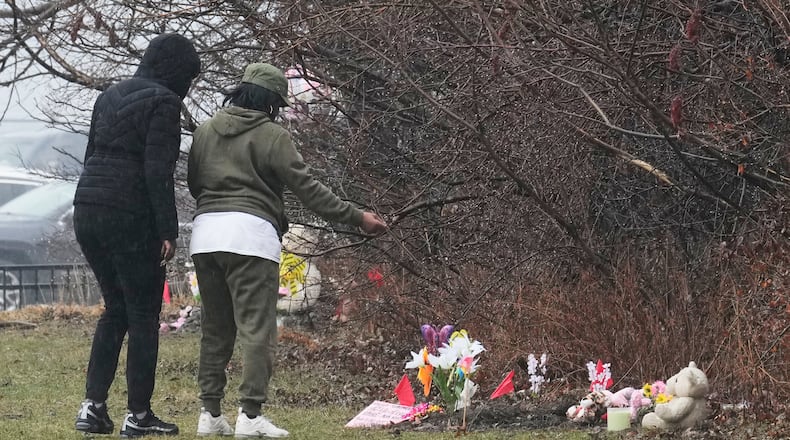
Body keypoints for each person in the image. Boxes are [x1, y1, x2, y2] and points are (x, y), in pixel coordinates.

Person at [187, 63, 387, 437]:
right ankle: (249, 417)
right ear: (273, 102)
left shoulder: (204, 131)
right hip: (251, 238)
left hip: (206, 236)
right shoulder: (273, 136)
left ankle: (209, 413)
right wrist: (358, 217)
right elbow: (308, 189)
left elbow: (195, 182)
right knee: (256, 331)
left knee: (215, 329)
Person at [73, 33, 200, 437]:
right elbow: (156, 171)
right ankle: (139, 416)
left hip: (88, 209)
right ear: (179, 72)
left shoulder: (108, 96)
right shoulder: (164, 103)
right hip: (130, 213)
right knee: (143, 314)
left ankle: (92, 408)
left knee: (115, 310)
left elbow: (91, 154)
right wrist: (168, 230)